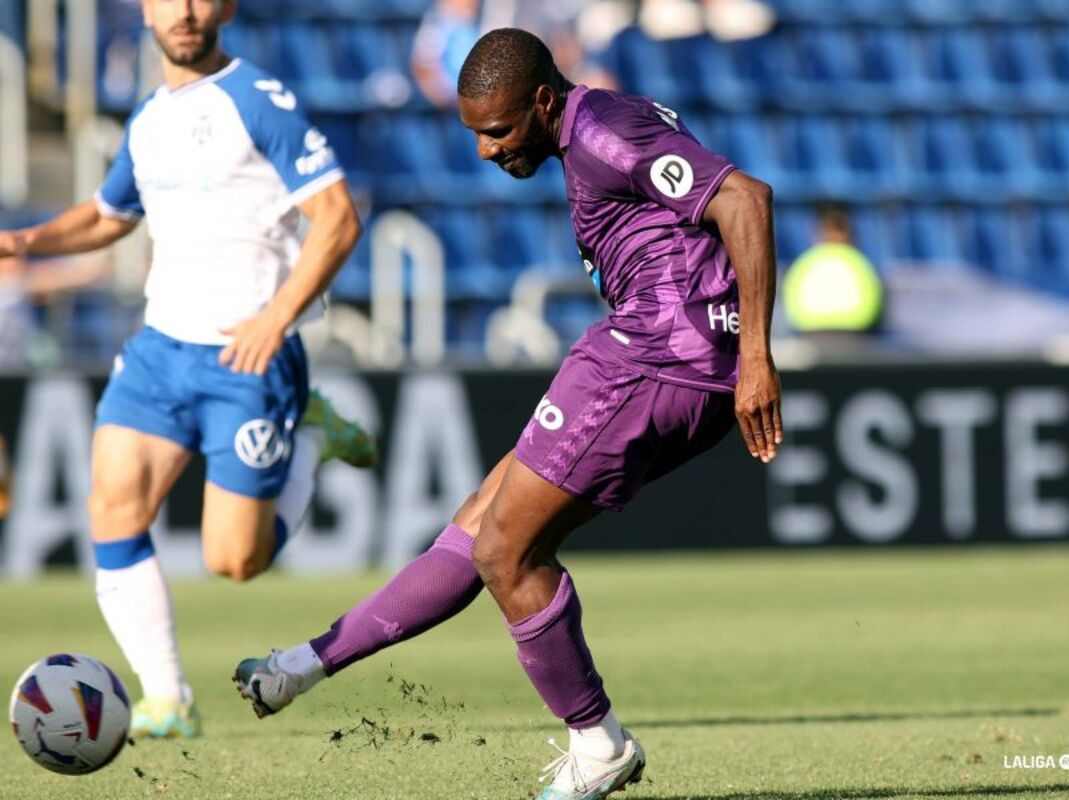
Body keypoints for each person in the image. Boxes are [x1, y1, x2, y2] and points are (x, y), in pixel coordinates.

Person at [234, 28, 781, 800]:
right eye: (476, 134)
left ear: (544, 102)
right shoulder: (594, 126)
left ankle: (598, 744)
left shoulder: (602, 131)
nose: (487, 151)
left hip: (663, 353)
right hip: (649, 348)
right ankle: (302, 665)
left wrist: (754, 357)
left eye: (498, 130)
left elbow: (744, 197)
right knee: (476, 529)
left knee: (505, 553)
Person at [0, 0, 376, 739]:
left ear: (226, 7)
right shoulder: (148, 118)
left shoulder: (256, 100)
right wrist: (28, 240)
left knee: (235, 561)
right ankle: (167, 697)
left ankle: (312, 436)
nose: (186, 11)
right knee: (112, 509)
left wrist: (276, 318)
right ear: (145, 9)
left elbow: (338, 219)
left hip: (248, 356)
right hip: (159, 351)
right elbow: (112, 215)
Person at [782, 202, 885, 335]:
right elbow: (876, 313)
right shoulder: (861, 263)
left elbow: (792, 311)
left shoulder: (803, 264)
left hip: (812, 335)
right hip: (856, 336)